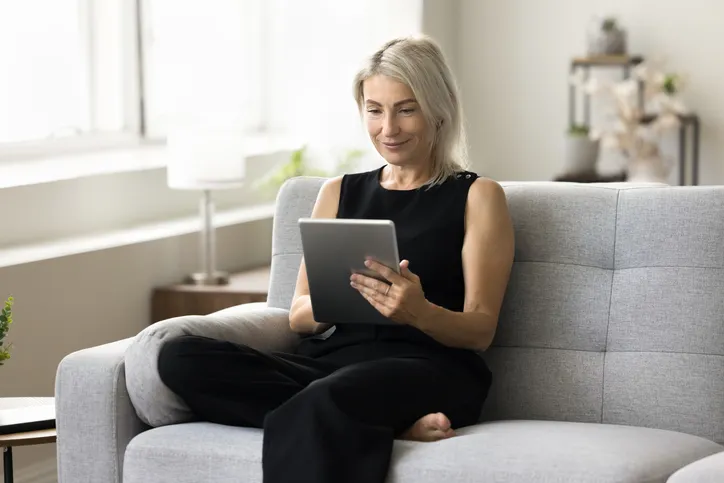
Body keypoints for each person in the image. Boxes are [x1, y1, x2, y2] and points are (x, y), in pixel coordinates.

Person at [157, 34, 515, 483]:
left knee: (331, 396)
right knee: (178, 358)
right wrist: (335, 303)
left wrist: (418, 312)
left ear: (438, 109)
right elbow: (299, 315)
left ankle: (355, 412)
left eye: (406, 109)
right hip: (333, 364)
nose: (389, 128)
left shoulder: (477, 196)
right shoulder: (336, 193)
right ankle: (387, 424)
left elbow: (481, 329)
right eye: (374, 109)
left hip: (429, 368)